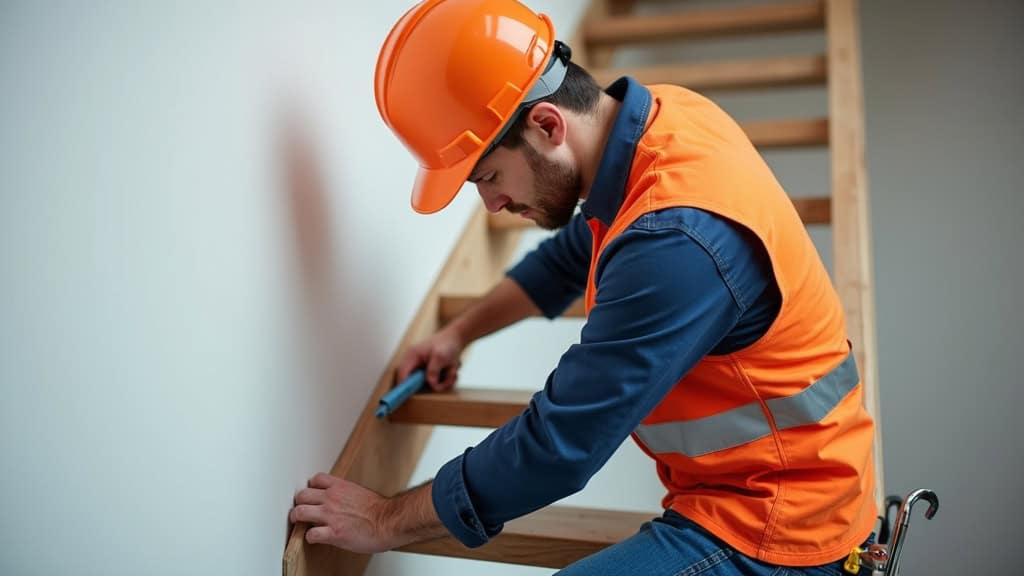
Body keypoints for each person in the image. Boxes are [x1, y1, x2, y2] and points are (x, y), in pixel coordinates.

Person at [288, 0, 878, 573]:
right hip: (738, 489)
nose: (492, 204)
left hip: (786, 520)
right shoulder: (666, 121)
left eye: (487, 176)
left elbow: (558, 446)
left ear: (547, 125)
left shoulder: (676, 242)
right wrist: (459, 332)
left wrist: (386, 519)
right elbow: (574, 255)